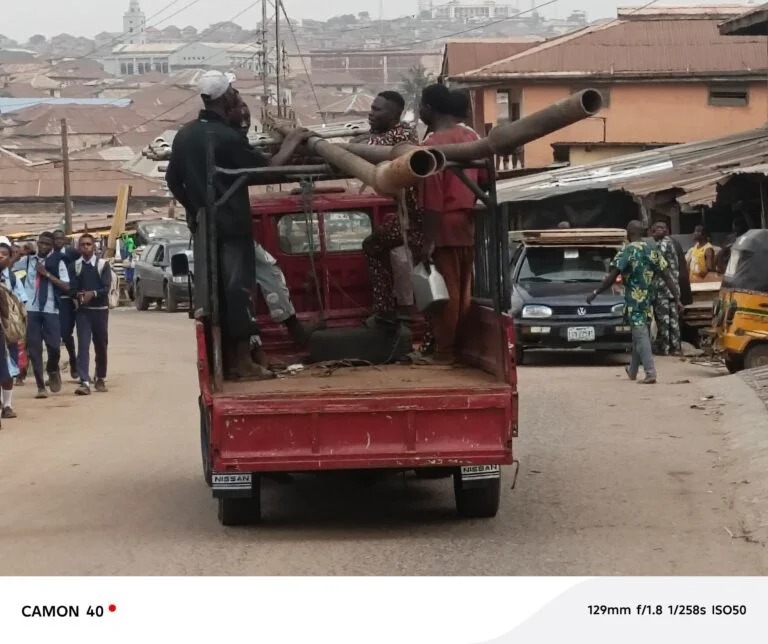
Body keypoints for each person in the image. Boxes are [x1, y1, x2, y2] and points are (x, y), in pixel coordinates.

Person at [165, 70, 312, 379]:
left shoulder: (185, 134)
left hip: (207, 226)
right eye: (234, 92)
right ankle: (242, 361)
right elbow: (268, 170)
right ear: (226, 97)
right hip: (232, 225)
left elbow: (172, 179)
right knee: (238, 289)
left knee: (218, 289)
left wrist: (195, 211)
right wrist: (295, 141)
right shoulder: (225, 137)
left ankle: (239, 357)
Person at [236, 101, 323, 345]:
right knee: (244, 284)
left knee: (262, 271)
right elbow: (268, 169)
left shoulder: (233, 142)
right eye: (240, 118)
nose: (244, 123)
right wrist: (290, 143)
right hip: (229, 229)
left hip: (230, 227)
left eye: (247, 119)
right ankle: (284, 332)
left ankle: (284, 329)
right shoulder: (229, 141)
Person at [415, 84, 484, 365]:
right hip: (468, 220)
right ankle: (459, 347)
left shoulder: (431, 147)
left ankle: (445, 352)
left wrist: (427, 240)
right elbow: (485, 181)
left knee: (446, 293)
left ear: (429, 109)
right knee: (464, 288)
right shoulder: (473, 137)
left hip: (444, 223)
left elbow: (432, 200)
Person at [587, 221, 682, 384]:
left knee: (641, 334)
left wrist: (596, 292)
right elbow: (667, 275)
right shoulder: (652, 250)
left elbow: (612, 276)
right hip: (649, 300)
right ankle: (632, 370)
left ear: (628, 233)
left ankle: (650, 372)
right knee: (638, 335)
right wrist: (677, 298)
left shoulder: (627, 251)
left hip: (634, 301)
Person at [360, 90, 423, 327]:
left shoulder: (401, 136)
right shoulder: (393, 134)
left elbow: (366, 147)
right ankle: (398, 308)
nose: (371, 114)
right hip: (409, 215)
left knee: (372, 245)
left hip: (415, 218)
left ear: (395, 114)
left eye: (377, 110)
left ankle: (389, 310)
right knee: (386, 247)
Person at [15, 231, 69, 398]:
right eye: (42, 243)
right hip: (32, 309)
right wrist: (18, 252)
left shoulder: (58, 261)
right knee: (34, 348)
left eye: (47, 244)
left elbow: (66, 286)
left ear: (52, 246)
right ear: (38, 243)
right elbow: (9, 265)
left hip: (51, 309)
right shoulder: (29, 261)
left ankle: (53, 369)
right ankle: (40, 386)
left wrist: (46, 274)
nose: (44, 247)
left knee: (54, 346)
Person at [69, 234, 110, 395]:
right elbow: (72, 289)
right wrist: (79, 296)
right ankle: (84, 381)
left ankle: (100, 377)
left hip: (100, 311)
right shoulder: (75, 266)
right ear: (79, 247)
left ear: (94, 246)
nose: (86, 247)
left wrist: (92, 293)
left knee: (101, 345)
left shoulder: (102, 265)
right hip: (83, 312)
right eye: (83, 245)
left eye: (88, 244)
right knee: (83, 346)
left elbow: (106, 289)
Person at [0, 239, 26, 419]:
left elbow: (22, 304)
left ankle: (7, 405)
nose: (0, 258)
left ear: (10, 259)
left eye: (4, 255)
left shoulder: (13, 279)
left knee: (8, 369)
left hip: (8, 331)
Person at [650, 221, 682, 356]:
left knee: (664, 319)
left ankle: (665, 347)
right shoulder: (671, 242)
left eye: (662, 228)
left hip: (664, 288)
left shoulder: (664, 243)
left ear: (667, 230)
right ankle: (675, 347)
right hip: (672, 288)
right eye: (657, 228)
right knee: (672, 319)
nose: (659, 230)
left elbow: (657, 261)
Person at [53, 229, 80, 379]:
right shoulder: (49, 256)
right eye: (55, 239)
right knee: (53, 337)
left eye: (60, 238)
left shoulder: (71, 253)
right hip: (54, 299)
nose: (58, 241)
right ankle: (54, 370)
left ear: (64, 239)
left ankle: (73, 361)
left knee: (66, 333)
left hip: (68, 300)